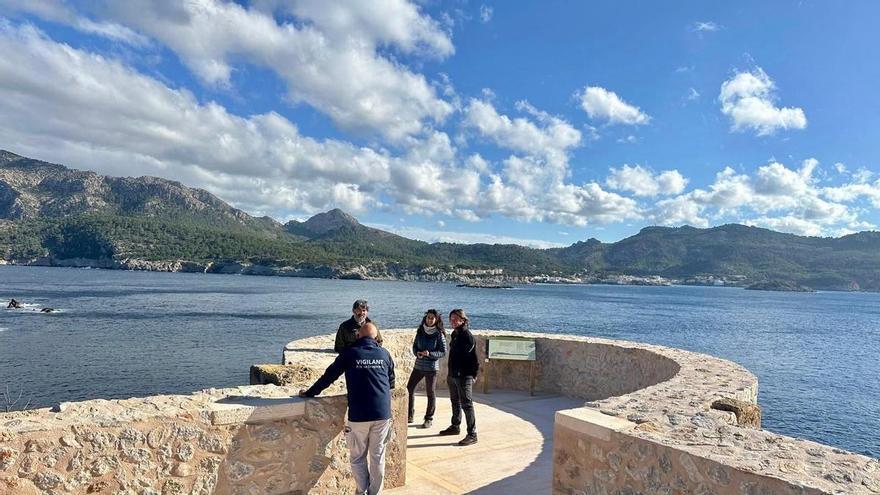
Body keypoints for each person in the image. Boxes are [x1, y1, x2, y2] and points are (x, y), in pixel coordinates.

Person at [300, 322, 395, 495]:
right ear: (376, 338)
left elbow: (328, 377)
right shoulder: (384, 354)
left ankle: (361, 491)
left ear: (358, 336)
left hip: (359, 415)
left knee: (358, 457)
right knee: (377, 457)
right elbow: (391, 382)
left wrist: (309, 393)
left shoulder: (350, 353)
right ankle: (375, 493)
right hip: (382, 414)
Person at [439, 308, 479, 446]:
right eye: (451, 319)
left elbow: (472, 359)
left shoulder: (467, 336)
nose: (453, 321)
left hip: (464, 376)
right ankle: (455, 426)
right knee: (455, 401)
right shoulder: (455, 334)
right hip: (453, 374)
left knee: (467, 405)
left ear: (463, 320)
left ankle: (472, 434)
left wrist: (473, 375)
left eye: (456, 319)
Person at [406, 309, 447, 428]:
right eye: (428, 317)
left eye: (432, 318)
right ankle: (409, 415)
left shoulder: (439, 334)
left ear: (436, 320)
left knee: (431, 392)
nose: (429, 319)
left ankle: (429, 418)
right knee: (409, 389)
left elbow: (443, 352)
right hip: (418, 366)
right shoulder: (420, 331)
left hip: (431, 368)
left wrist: (430, 354)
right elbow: (414, 346)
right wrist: (417, 353)